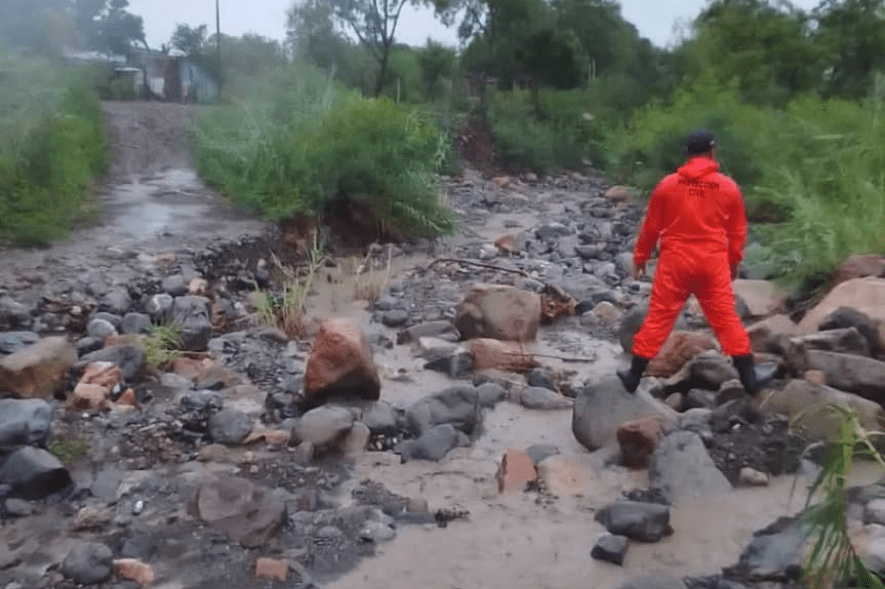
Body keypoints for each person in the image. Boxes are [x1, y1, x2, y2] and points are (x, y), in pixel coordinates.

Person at [617, 130, 766, 396]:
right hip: (712, 263)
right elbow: (737, 233)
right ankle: (750, 382)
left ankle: (633, 377)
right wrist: (733, 263)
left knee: (658, 319)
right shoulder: (728, 187)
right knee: (726, 321)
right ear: (712, 152)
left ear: (686, 155)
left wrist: (640, 257)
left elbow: (651, 226)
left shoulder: (668, 185)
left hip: (675, 263)